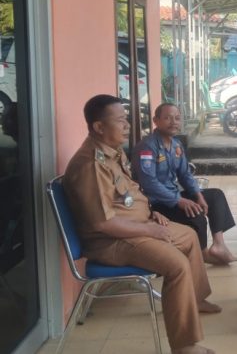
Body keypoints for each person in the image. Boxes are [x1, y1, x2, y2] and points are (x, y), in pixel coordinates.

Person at [63, 95, 220, 354]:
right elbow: (103, 224)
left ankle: (195, 299)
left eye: (126, 119)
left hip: (135, 226)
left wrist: (150, 214)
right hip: (113, 241)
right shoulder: (92, 164)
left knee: (189, 235)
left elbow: (126, 198)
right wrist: (149, 229)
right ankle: (184, 346)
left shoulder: (112, 153)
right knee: (177, 265)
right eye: (120, 121)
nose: (127, 125)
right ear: (99, 127)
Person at [131, 103, 237, 265]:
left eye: (177, 118)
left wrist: (198, 195)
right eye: (167, 118)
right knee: (195, 214)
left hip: (174, 196)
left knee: (215, 196)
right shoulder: (147, 147)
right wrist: (179, 200)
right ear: (156, 120)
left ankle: (219, 245)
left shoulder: (176, 145)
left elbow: (185, 174)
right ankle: (202, 254)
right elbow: (149, 183)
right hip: (155, 204)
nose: (173, 122)